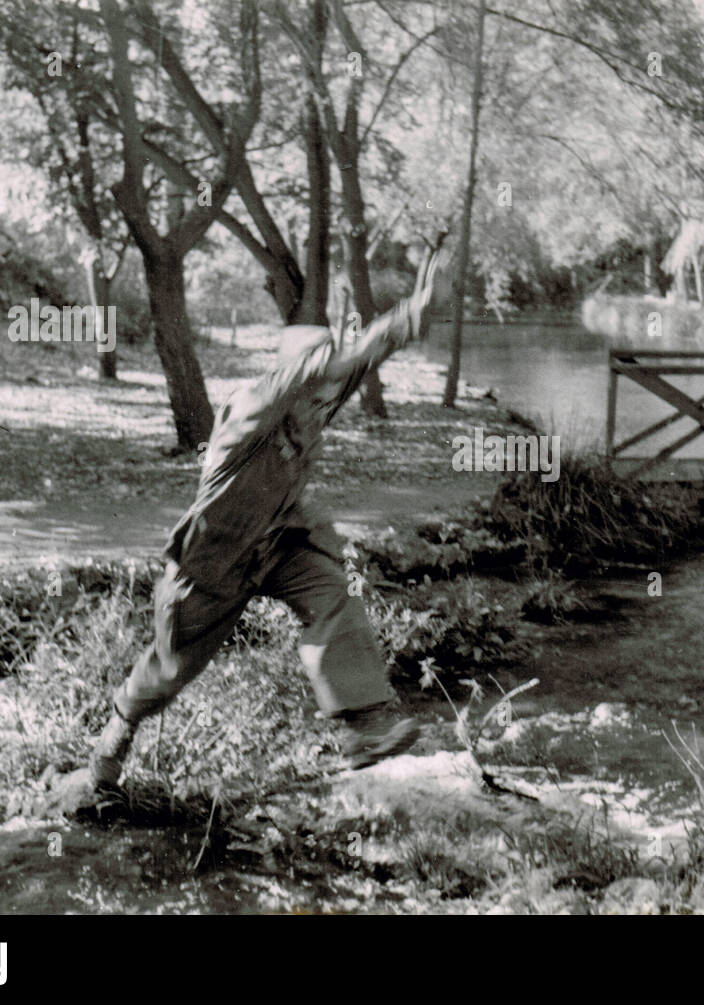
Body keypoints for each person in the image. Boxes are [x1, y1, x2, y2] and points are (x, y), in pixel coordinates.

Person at [74, 247, 450, 803]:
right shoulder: (251, 407)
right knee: (168, 672)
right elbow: (335, 366)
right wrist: (413, 310)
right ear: (293, 377)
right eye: (319, 380)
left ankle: (362, 728)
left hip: (276, 545)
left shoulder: (314, 399)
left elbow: (362, 359)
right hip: (211, 567)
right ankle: (111, 747)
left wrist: (412, 317)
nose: (329, 398)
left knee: (331, 592)